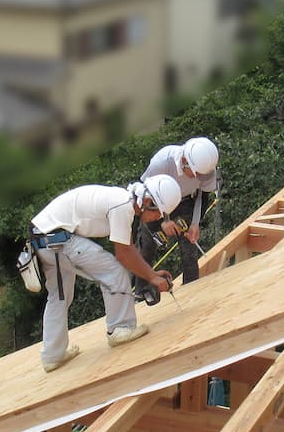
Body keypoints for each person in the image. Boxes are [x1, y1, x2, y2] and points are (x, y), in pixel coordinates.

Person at [29, 175, 181, 372]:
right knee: (113, 270)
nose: (158, 218)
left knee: (59, 296)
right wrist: (152, 278)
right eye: (158, 213)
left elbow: (128, 248)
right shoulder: (122, 206)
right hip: (57, 240)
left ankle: (52, 355)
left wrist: (151, 273)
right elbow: (124, 255)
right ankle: (120, 328)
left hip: (44, 239)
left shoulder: (122, 201)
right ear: (147, 202)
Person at [137, 136, 220, 284]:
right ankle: (141, 292)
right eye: (196, 173)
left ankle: (192, 288)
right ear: (184, 162)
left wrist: (195, 224)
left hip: (184, 201)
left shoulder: (206, 169)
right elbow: (145, 196)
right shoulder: (162, 163)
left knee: (189, 247)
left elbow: (202, 196)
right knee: (147, 246)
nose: (199, 177)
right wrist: (164, 221)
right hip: (154, 205)